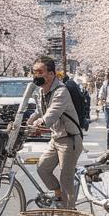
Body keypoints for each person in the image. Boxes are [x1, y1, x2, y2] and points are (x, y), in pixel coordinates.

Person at [30, 56, 83, 207]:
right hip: (56, 139)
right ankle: (59, 196)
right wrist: (22, 122)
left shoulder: (61, 91)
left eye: (40, 72)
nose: (36, 75)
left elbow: (51, 114)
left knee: (66, 180)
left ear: (52, 74)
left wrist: (40, 122)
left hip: (69, 140)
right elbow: (39, 111)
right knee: (42, 168)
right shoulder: (41, 92)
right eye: (34, 72)